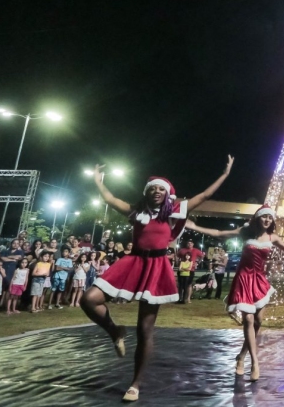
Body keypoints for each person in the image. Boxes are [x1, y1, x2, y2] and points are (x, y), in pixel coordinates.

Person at [80, 156, 234, 402]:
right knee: (89, 299)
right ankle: (114, 330)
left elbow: (203, 196)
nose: (157, 191)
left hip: (157, 266)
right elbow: (110, 199)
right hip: (133, 262)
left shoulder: (173, 212)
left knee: (144, 329)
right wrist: (99, 181)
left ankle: (135, 384)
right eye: (154, 188)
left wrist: (225, 175)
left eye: (162, 188)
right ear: (147, 192)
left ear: (167, 194)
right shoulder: (136, 211)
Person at [185, 205, 284, 380]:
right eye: (264, 217)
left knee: (258, 321)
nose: (267, 220)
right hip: (243, 278)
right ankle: (254, 362)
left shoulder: (272, 237)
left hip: (260, 280)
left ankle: (241, 355)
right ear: (258, 218)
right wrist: (194, 227)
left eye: (270, 218)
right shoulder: (246, 232)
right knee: (247, 319)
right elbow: (219, 233)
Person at [176, 239, 205, 304]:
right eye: (188, 243)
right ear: (187, 244)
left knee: (189, 284)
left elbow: (202, 256)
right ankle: (180, 298)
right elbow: (177, 256)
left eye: (191, 243)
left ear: (193, 244)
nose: (189, 244)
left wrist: (197, 262)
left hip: (191, 270)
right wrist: (178, 263)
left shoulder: (196, 250)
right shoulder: (182, 250)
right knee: (180, 284)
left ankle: (188, 298)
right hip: (182, 270)